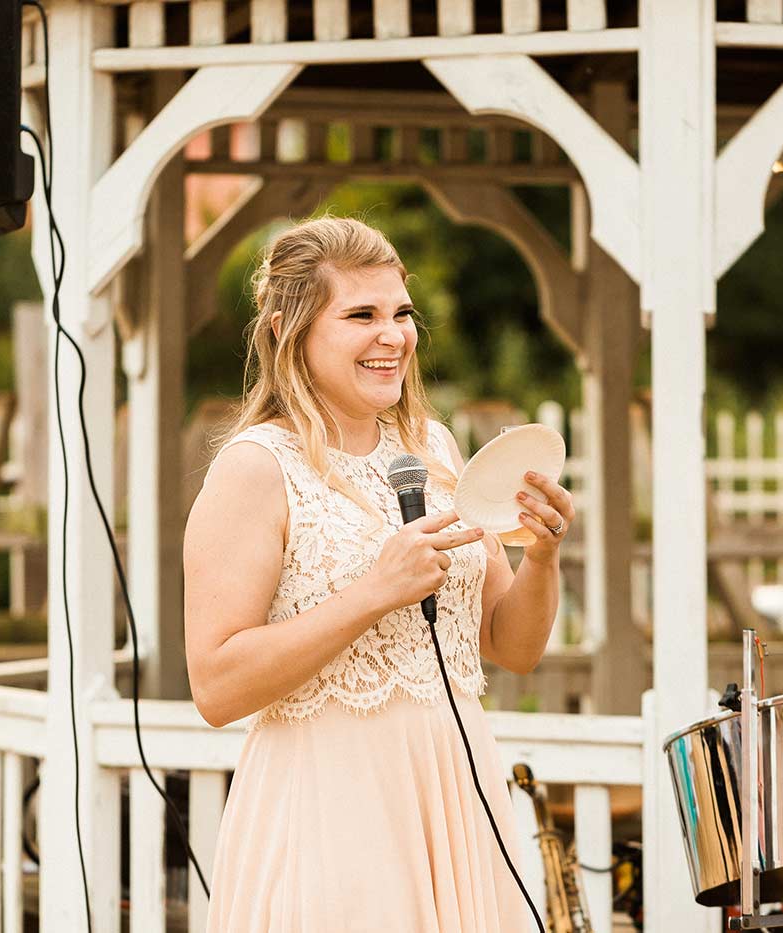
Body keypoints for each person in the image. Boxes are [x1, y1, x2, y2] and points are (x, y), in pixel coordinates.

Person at [183, 215, 575, 932]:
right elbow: (214, 684)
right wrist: (374, 593)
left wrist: (541, 555)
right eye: (360, 314)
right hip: (331, 812)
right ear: (285, 331)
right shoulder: (255, 469)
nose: (391, 335)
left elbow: (511, 646)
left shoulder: (434, 448)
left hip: (454, 795)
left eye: (401, 313)